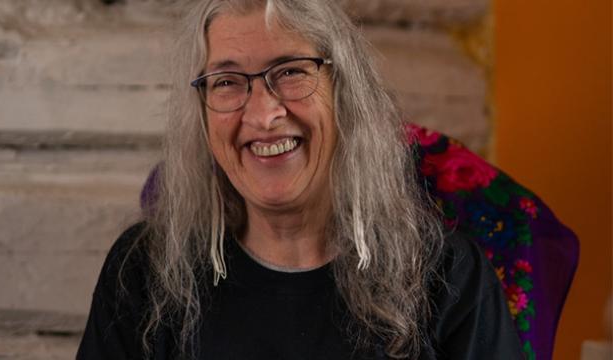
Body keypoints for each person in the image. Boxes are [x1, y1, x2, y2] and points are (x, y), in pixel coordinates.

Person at [77, 0, 523, 359]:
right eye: (227, 81)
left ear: (345, 94)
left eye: (290, 71)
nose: (263, 114)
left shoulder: (447, 278)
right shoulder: (142, 272)